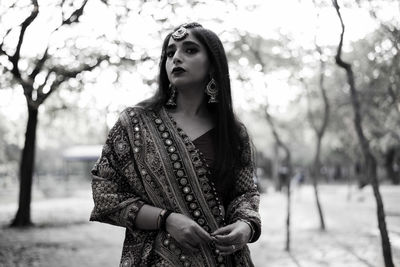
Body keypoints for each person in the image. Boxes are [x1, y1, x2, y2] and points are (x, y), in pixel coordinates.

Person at [90, 22, 261, 267]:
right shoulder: (135, 123)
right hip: (156, 259)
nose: (176, 58)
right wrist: (166, 219)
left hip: (223, 259)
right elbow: (105, 193)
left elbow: (244, 193)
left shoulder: (232, 132)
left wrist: (246, 226)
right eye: (170, 53)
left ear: (213, 64)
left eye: (190, 50)